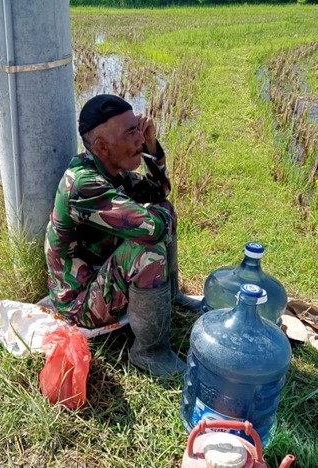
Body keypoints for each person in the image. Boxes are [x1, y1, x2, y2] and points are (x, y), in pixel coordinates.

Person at [44, 94, 201, 376]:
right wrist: (163, 214)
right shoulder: (84, 185)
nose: (139, 138)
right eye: (131, 133)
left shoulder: (112, 171)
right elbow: (153, 228)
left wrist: (152, 145)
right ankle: (150, 353)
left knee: (162, 209)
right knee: (146, 249)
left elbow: (159, 191)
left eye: (138, 128)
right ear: (103, 146)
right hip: (79, 303)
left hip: (100, 275)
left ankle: (171, 296)